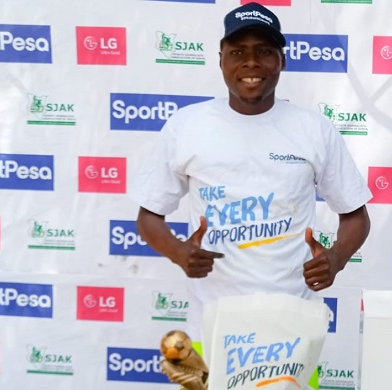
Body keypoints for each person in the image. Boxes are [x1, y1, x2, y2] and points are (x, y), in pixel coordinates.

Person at [132, 2, 371, 341]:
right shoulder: (186, 126)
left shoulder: (313, 130)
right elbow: (148, 216)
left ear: (282, 61)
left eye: (264, 51)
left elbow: (355, 215)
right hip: (211, 328)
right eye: (237, 52)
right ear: (221, 60)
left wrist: (337, 257)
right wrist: (178, 252)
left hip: (292, 328)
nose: (251, 63)